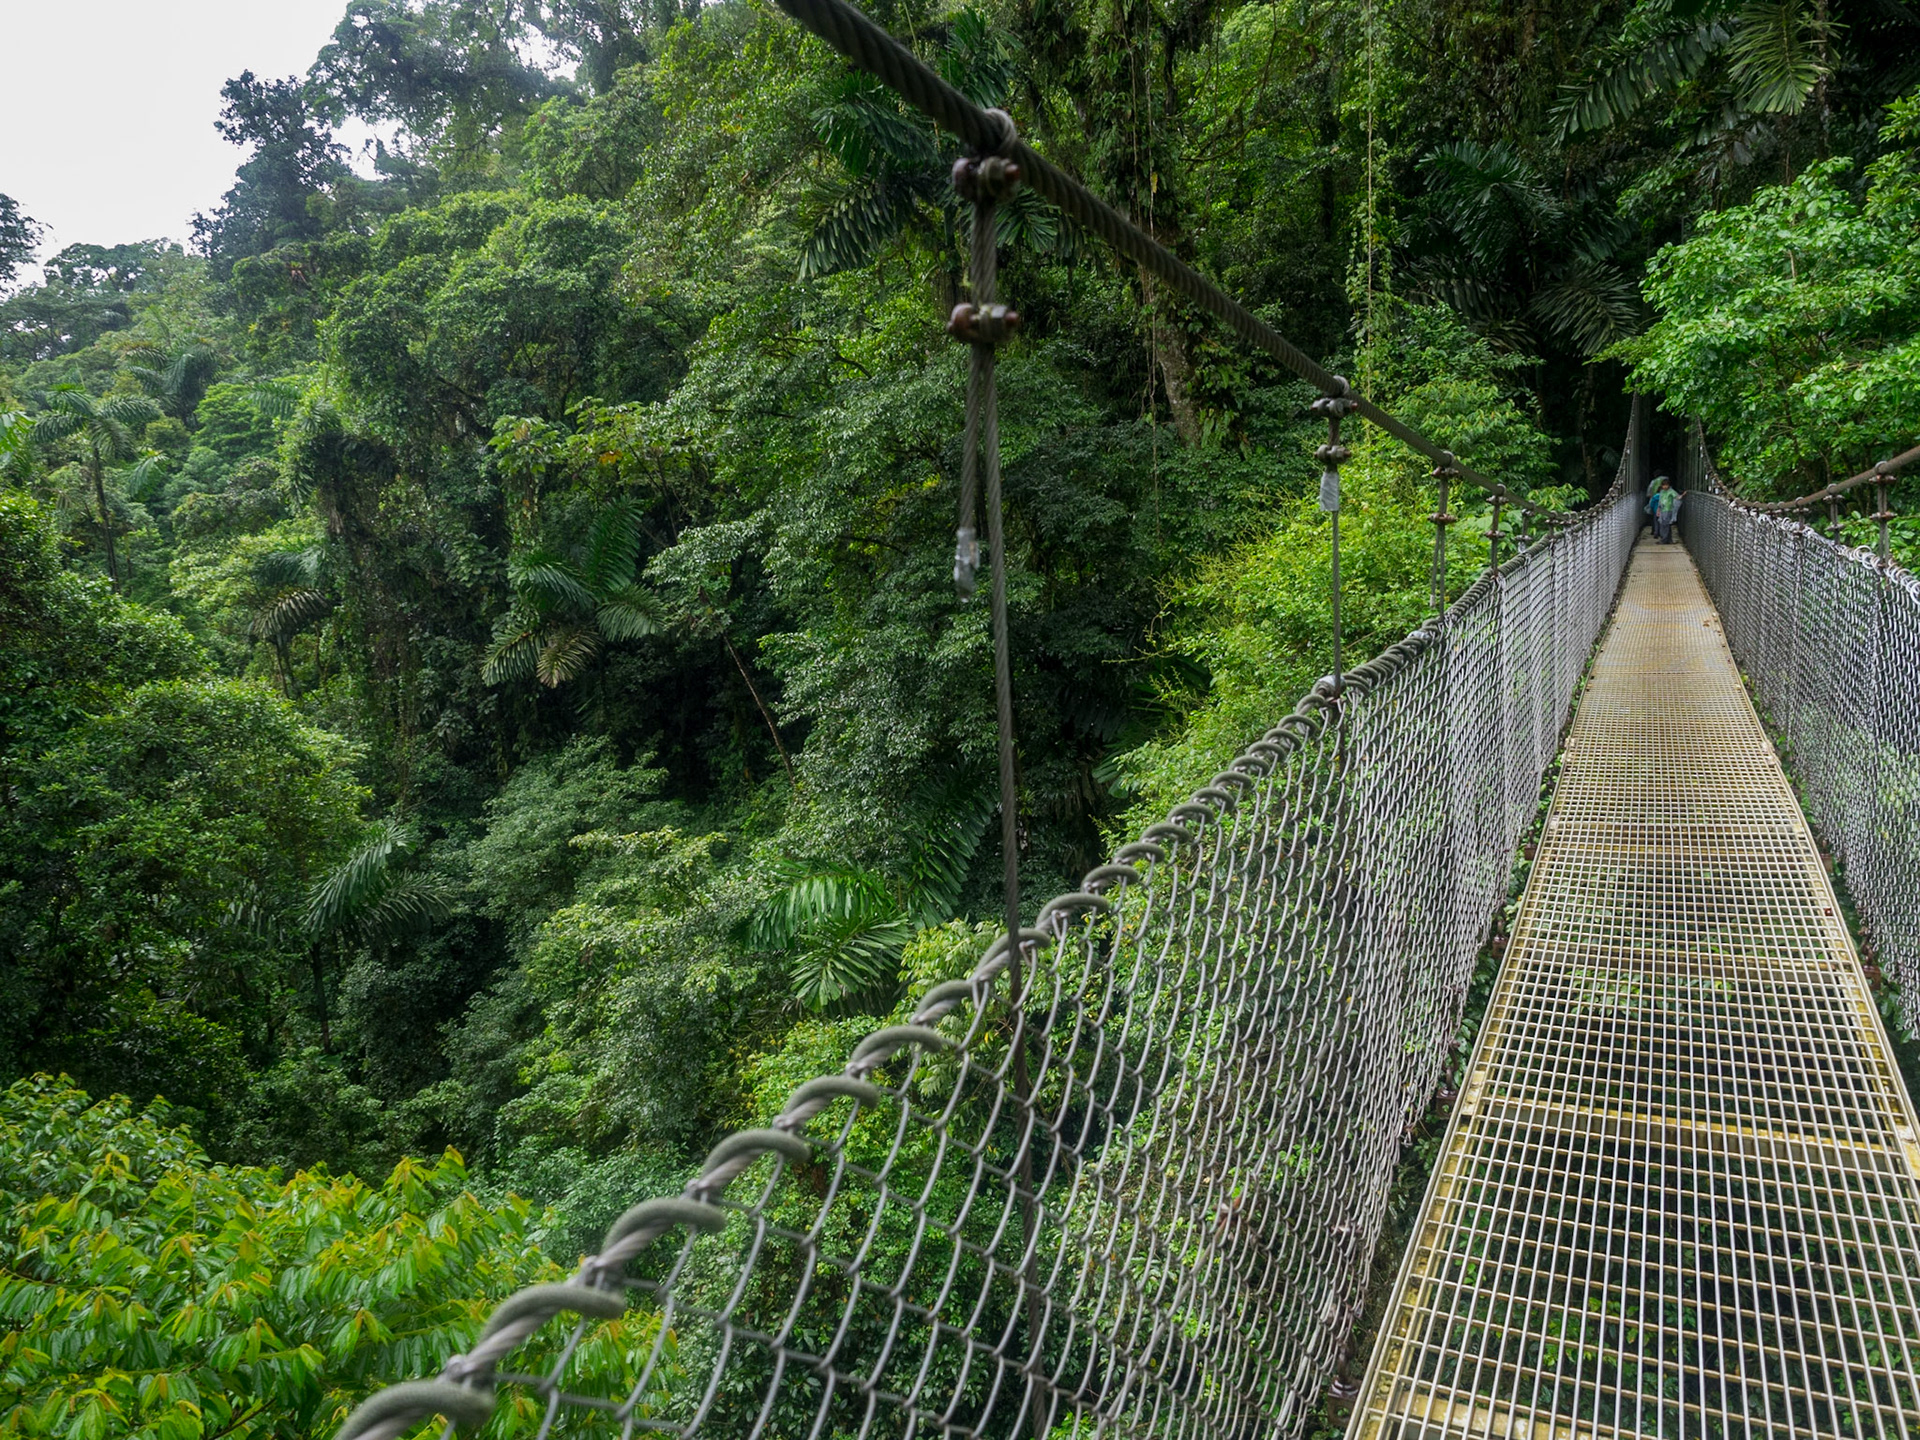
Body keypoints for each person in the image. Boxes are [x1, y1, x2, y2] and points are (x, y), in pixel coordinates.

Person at [1646, 476, 1682, 544]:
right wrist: (1658, 509)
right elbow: (1660, 501)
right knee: (1664, 524)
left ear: (1669, 485)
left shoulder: (1671, 491)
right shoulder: (1662, 492)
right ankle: (1668, 540)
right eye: (1664, 485)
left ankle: (1664, 540)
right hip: (1662, 510)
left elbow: (1676, 496)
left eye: (1666, 485)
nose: (1665, 487)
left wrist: (1680, 496)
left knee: (1664, 525)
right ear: (1662, 486)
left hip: (1668, 510)